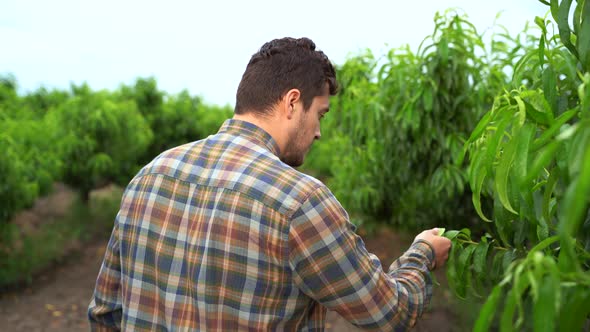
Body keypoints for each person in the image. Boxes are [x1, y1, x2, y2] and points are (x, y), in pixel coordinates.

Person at [88, 37, 452, 331]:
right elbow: (388, 313)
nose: (319, 133)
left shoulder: (150, 176)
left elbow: (106, 313)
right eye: (320, 114)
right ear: (293, 102)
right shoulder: (299, 201)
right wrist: (421, 255)